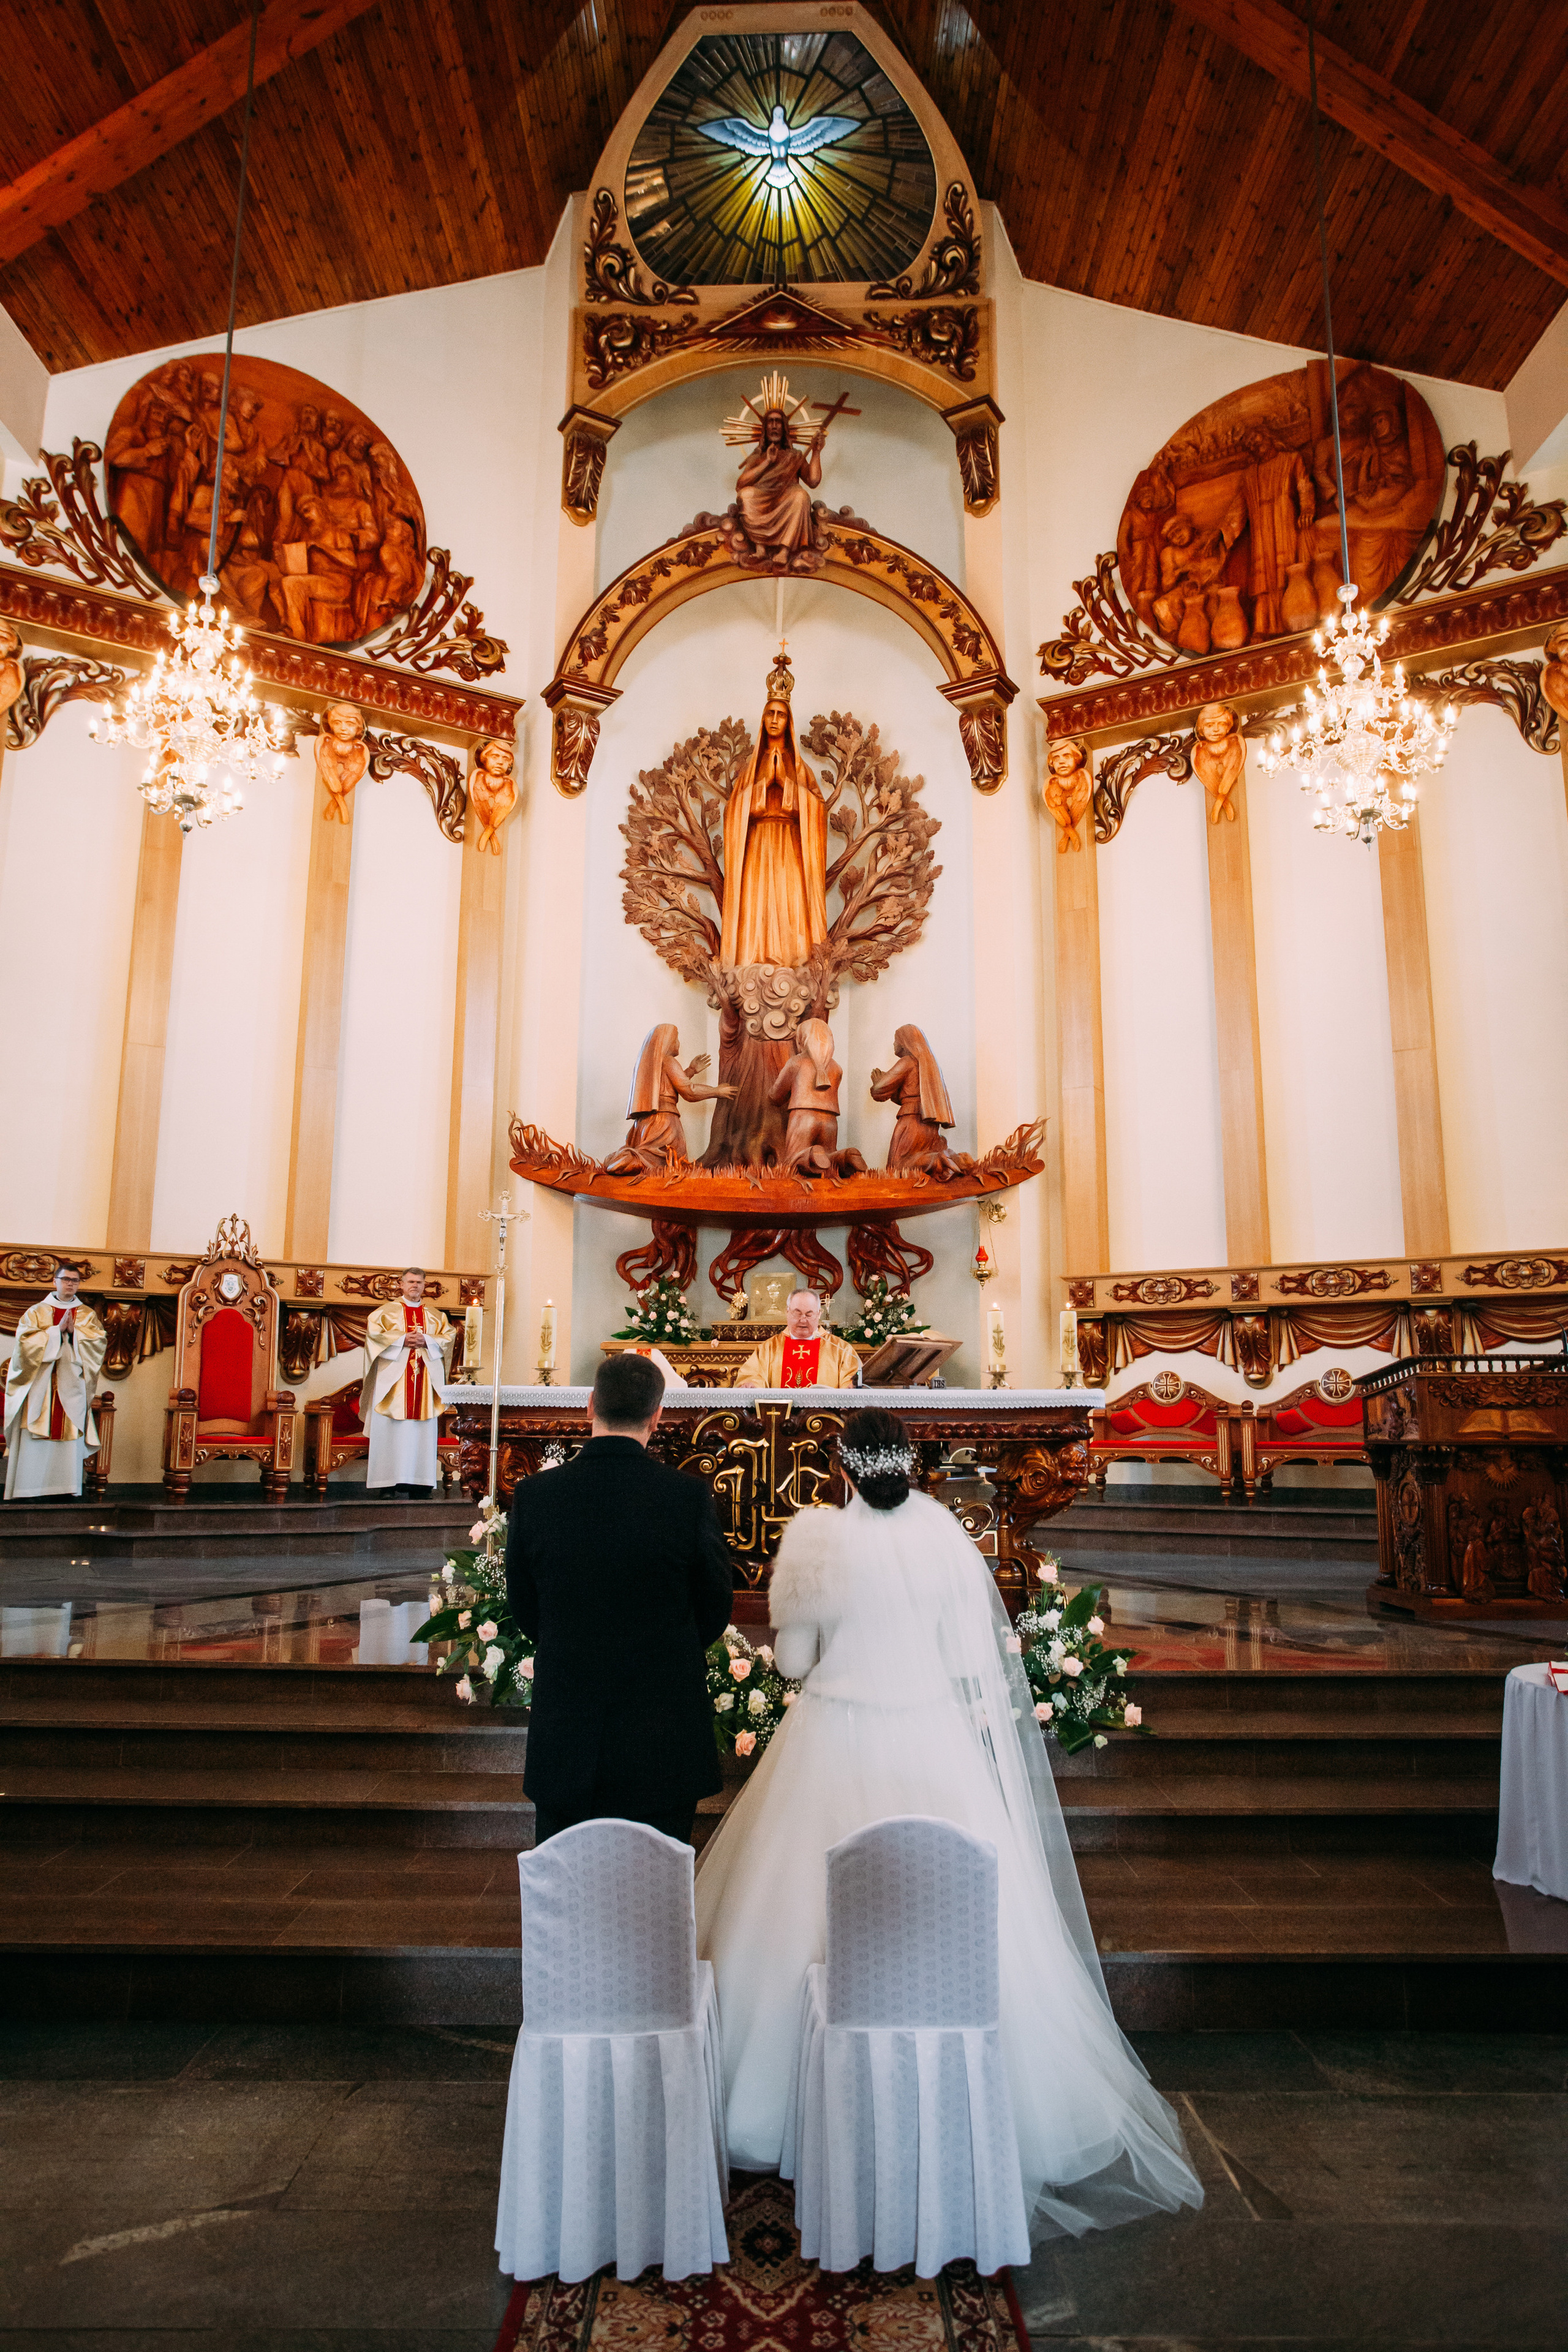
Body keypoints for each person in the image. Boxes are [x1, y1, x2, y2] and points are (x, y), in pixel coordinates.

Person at [695, 1406, 1204, 2238]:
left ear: (843, 1466)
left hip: (832, 1733)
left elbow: (791, 1662)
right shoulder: (944, 1536)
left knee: (786, 1911)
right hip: (931, 1737)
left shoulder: (819, 1539)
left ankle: (778, 2106)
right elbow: (972, 1663)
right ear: (910, 1463)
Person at [505, 1351, 733, 1843]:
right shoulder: (687, 1498)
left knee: (567, 1874)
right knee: (659, 1885)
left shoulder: (536, 1495)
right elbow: (714, 1608)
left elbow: (525, 1606)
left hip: (569, 1718)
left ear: (589, 1406)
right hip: (663, 1725)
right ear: (658, 1416)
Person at [719, 652, 828, 971]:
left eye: (781, 713)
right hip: (757, 844)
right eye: (770, 713)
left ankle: (793, 961)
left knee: (788, 901)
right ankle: (752, 957)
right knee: (758, 902)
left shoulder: (801, 769)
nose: (775, 719)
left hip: (791, 847)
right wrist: (762, 787)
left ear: (788, 721)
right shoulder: (750, 770)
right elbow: (733, 812)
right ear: (763, 720)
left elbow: (818, 812)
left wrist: (789, 786)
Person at [4, 1264, 107, 1500]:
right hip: (39, 1387)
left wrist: (74, 1334)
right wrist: (54, 1332)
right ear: (55, 1281)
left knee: (68, 1434)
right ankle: (27, 1489)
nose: (71, 1284)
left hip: (70, 1388)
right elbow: (24, 1345)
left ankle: (65, 1489)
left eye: (75, 1280)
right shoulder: (36, 1312)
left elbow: (98, 1344)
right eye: (66, 1279)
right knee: (34, 1434)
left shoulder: (87, 1314)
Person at [360, 1268, 453, 1496]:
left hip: (425, 1382)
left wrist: (427, 1339)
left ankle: (420, 1484)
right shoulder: (384, 1313)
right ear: (401, 1285)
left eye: (420, 1282)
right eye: (411, 1282)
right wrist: (402, 1339)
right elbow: (373, 1337)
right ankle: (387, 1485)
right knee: (390, 1431)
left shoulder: (437, 1316)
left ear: (425, 1286)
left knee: (421, 1433)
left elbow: (449, 1337)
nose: (415, 1286)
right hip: (393, 1383)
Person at [732, 1287, 861, 1390]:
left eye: (809, 1314)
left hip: (826, 1418)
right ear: (788, 1312)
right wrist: (752, 1384)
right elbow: (752, 1375)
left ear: (819, 1314)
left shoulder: (840, 1349)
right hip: (777, 1419)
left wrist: (849, 1387)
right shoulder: (769, 1348)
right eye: (797, 1313)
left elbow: (851, 1379)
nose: (803, 1319)